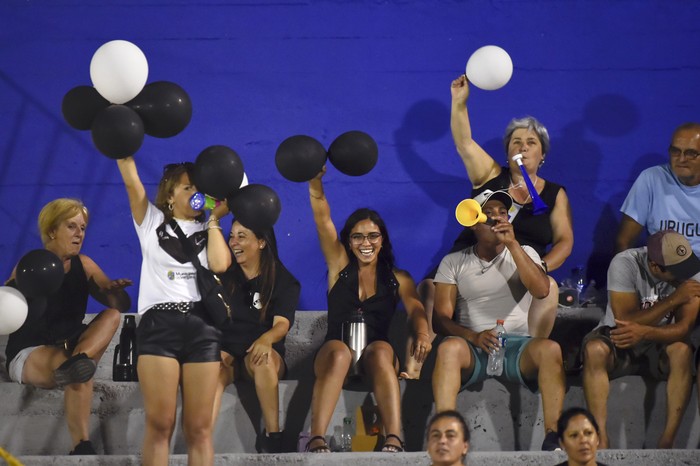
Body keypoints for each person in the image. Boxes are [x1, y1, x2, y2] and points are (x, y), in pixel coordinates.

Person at [409, 76, 573, 378]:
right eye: (516, 142)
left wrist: (539, 267)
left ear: (543, 155)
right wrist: (459, 102)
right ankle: (418, 364)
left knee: (548, 289)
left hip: (521, 265)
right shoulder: (490, 175)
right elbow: (463, 143)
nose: (523, 147)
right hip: (474, 258)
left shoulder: (554, 193)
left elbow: (565, 241)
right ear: (507, 151)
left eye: (531, 142)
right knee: (428, 287)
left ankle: (530, 360)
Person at [304, 166, 432, 453]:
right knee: (339, 351)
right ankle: (316, 439)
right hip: (335, 356)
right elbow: (323, 221)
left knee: (381, 350)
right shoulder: (339, 267)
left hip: (377, 357)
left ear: (382, 240)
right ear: (348, 242)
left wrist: (423, 334)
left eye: (372, 236)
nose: (366, 243)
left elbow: (416, 309)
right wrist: (315, 183)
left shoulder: (398, 277)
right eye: (358, 237)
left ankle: (394, 438)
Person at [116, 158, 231, 466]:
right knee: (160, 424)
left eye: (199, 188)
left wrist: (215, 220)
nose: (195, 193)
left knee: (199, 428)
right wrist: (122, 150)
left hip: (202, 328)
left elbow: (220, 265)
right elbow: (132, 183)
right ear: (169, 195)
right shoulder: (151, 222)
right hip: (159, 325)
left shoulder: (208, 230)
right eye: (188, 187)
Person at [431, 191, 565, 451]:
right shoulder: (454, 261)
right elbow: (440, 320)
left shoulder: (525, 252)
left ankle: (553, 436)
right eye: (488, 214)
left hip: (517, 346)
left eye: (502, 213)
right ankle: (445, 432)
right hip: (474, 346)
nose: (495, 218)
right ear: (474, 223)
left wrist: (513, 245)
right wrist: (473, 337)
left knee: (551, 350)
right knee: (448, 347)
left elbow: (541, 290)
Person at [4, 198, 130, 455]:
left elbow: (119, 304)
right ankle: (81, 444)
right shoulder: (31, 264)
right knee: (81, 368)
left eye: (82, 228)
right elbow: (7, 304)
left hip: (71, 347)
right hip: (30, 351)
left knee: (111, 316)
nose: (79, 234)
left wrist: (113, 290)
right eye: (72, 226)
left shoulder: (84, 265)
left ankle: (79, 361)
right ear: (52, 230)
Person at [582, 230, 700, 449]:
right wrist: (674, 299)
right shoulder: (625, 263)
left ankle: (667, 442)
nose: (685, 275)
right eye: (677, 270)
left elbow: (683, 328)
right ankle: (601, 439)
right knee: (594, 349)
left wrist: (646, 332)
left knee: (682, 351)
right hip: (620, 337)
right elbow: (625, 320)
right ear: (655, 267)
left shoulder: (693, 273)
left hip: (661, 343)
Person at [211, 220, 300, 453]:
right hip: (229, 353)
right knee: (211, 369)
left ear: (261, 242)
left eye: (242, 236)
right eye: (231, 236)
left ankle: (273, 437)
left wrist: (265, 339)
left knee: (264, 358)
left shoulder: (283, 280)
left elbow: (281, 325)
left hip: (259, 353)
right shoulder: (223, 277)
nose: (234, 242)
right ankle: (201, 440)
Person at [616, 122, 700, 254]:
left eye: (690, 153)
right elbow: (624, 242)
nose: (681, 159)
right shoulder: (651, 178)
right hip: (662, 269)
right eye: (675, 151)